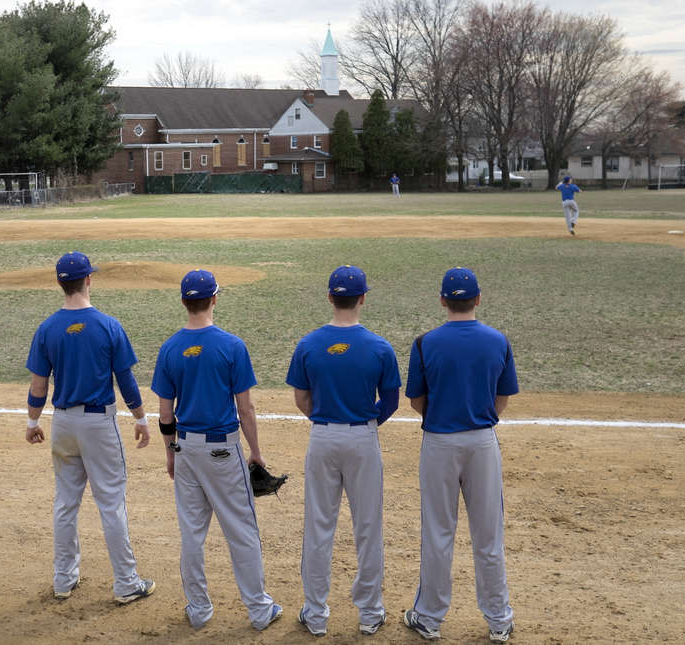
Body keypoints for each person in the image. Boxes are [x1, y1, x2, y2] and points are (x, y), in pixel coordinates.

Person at [151, 269, 283, 632]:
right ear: (214, 299)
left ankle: (198, 611)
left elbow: (165, 413)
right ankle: (259, 610)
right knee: (241, 530)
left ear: (183, 302)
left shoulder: (170, 348)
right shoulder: (231, 346)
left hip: (186, 449)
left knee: (192, 532)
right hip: (223, 451)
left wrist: (170, 451)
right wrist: (255, 451)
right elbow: (246, 409)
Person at [25, 251, 155, 605]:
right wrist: (141, 418)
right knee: (111, 503)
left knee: (66, 503)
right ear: (89, 280)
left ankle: (64, 579)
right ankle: (126, 582)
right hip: (99, 424)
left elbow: (39, 386)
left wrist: (32, 421)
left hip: (63, 423)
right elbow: (125, 380)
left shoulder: (47, 328)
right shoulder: (108, 325)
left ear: (59, 284)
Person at [402, 267, 518, 643]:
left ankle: (430, 617)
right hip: (483, 442)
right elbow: (502, 398)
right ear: (478, 299)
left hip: (439, 442)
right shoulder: (498, 340)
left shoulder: (425, 342)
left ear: (442, 300)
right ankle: (499, 619)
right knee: (488, 534)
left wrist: (441, 417)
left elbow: (417, 398)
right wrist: (479, 421)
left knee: (438, 532)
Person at [286, 265, 401, 637]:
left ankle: (316, 614)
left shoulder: (308, 344)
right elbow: (392, 401)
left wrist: (325, 420)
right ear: (363, 298)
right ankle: (370, 614)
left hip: (322, 438)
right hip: (363, 440)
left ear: (330, 298)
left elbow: (302, 398)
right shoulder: (380, 347)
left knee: (319, 526)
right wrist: (365, 424)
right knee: (368, 527)